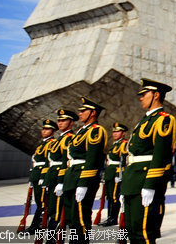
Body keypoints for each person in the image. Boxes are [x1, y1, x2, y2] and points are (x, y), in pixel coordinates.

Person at [121, 78, 176, 243]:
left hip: (145, 182)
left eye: (145, 94)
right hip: (133, 182)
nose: (141, 97)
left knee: (143, 233)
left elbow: (161, 155)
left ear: (156, 95)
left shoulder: (163, 120)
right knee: (131, 232)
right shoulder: (144, 121)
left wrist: (150, 185)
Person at [62, 97, 107, 244]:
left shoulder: (96, 131)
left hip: (82, 177)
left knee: (81, 217)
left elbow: (92, 159)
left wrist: (83, 183)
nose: (80, 114)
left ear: (93, 113)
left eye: (83, 111)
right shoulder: (82, 131)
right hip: (72, 176)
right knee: (71, 218)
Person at [46, 109, 78, 236]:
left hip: (61, 178)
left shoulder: (68, 138)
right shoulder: (60, 138)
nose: (60, 123)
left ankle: (54, 238)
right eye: (59, 120)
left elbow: (65, 161)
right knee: (52, 209)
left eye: (63, 120)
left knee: (57, 212)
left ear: (71, 123)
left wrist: (60, 182)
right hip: (53, 177)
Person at [26, 119, 57, 234]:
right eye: (43, 129)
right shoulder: (42, 144)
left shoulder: (51, 143)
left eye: (47, 129)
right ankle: (37, 224)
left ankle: (37, 226)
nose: (44, 131)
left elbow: (47, 162)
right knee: (40, 202)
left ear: (53, 132)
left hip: (41, 175)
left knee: (42, 203)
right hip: (36, 175)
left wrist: (43, 177)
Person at [99, 122, 128, 227]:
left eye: (118, 131)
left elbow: (124, 162)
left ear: (123, 133)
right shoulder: (115, 144)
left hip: (116, 173)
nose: (115, 133)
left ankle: (113, 218)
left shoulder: (124, 144)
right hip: (110, 173)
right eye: (114, 131)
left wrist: (120, 176)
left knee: (115, 197)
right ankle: (109, 217)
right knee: (109, 197)